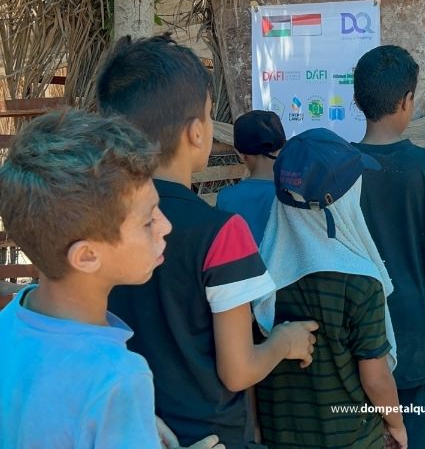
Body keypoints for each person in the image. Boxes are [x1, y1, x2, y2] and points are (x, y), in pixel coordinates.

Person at [96, 34, 319, 448]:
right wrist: (282, 342)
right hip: (206, 435)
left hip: (124, 427)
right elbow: (238, 370)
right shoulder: (221, 232)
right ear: (197, 133)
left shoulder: (96, 224)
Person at [0, 109, 220, 448]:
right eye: (148, 221)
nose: (166, 226)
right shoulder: (119, 379)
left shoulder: (11, 319)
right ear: (87, 256)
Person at [254, 128, 408, 449]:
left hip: (279, 435)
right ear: (344, 202)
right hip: (350, 438)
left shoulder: (260, 276)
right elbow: (375, 376)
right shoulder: (360, 281)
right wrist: (397, 423)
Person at [352, 45, 425, 448]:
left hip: (353, 333)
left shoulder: (339, 167)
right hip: (411, 329)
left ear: (357, 100)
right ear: (406, 102)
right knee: (412, 432)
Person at [216, 110, 285, 246]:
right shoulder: (292, 194)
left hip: (242, 267)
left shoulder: (226, 198)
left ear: (241, 154)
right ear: (281, 147)